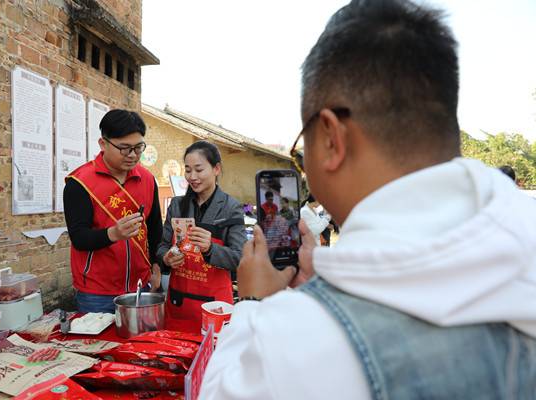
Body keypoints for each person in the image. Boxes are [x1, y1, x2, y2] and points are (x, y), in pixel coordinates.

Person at [200, 1, 536, 399]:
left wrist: (254, 304)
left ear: (329, 137)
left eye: (301, 149)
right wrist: (327, 282)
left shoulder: (293, 342)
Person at [64, 109, 162, 313]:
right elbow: (79, 238)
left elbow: (154, 229)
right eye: (124, 148)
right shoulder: (80, 183)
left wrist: (156, 265)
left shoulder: (148, 180)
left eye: (138, 147)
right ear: (103, 143)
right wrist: (113, 234)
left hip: (140, 286)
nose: (133, 155)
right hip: (97, 293)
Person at [157, 140, 246, 333]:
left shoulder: (231, 208)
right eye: (188, 170)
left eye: (199, 169)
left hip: (215, 308)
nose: (192, 176)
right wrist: (166, 257)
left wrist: (211, 249)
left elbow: (241, 258)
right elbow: (162, 246)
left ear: (216, 169)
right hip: (178, 304)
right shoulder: (177, 206)